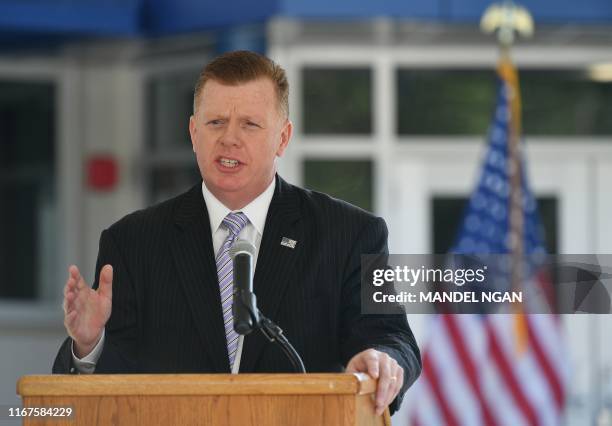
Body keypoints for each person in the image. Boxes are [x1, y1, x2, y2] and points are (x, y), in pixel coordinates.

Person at [53, 50, 421, 415]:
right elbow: (110, 386)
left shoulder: (352, 235)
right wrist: (89, 344)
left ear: (282, 138)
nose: (229, 138)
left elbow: (392, 337)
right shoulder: (132, 242)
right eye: (215, 123)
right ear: (194, 133)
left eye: (249, 124)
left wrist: (382, 360)